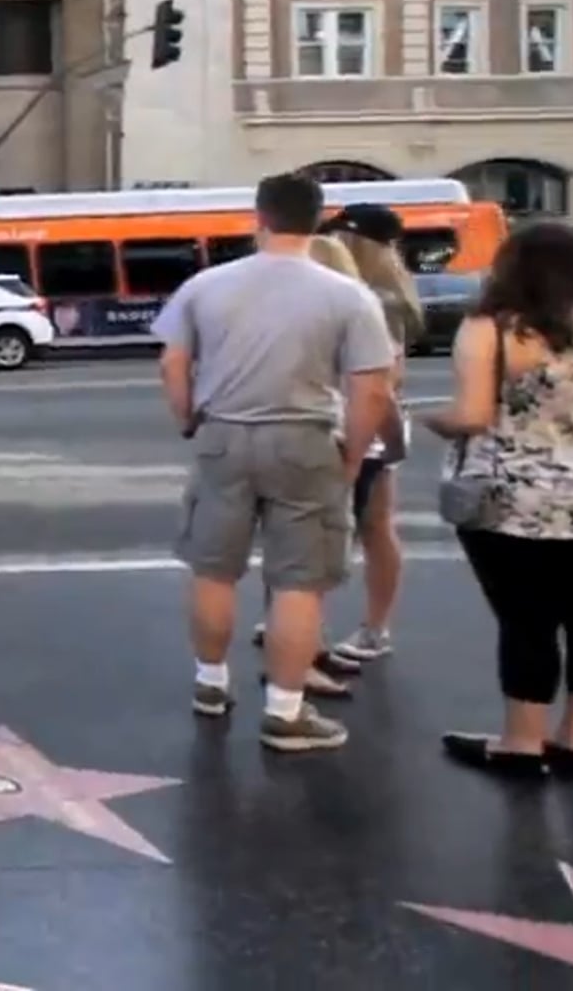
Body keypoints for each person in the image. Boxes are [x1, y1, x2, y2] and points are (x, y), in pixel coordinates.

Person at [153, 172, 393, 753]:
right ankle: (286, 712)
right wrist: (353, 455)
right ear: (316, 222)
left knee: (214, 568)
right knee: (299, 580)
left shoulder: (205, 286)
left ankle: (211, 683)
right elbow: (372, 389)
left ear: (259, 217)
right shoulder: (348, 295)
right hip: (305, 438)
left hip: (223, 435)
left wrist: (188, 418)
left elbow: (172, 364)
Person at [424, 222, 573, 779]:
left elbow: (472, 416)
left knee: (527, 623)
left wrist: (432, 419)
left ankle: (521, 745)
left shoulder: (492, 329)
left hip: (513, 498)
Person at [322, 204, 425, 663]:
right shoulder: (376, 292)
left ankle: (363, 626)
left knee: (351, 525)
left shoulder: (375, 298)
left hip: (363, 421)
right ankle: (361, 625)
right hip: (373, 421)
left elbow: (388, 375)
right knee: (372, 524)